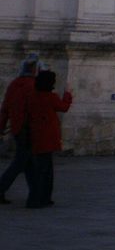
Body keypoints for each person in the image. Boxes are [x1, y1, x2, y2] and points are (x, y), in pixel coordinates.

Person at [23, 69, 72, 209]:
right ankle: (41, 198)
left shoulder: (32, 96)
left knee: (39, 169)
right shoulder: (51, 97)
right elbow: (63, 107)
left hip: (35, 135)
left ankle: (40, 197)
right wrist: (68, 96)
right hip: (48, 136)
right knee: (45, 171)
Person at [0, 54, 39, 205]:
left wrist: (2, 126)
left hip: (17, 128)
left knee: (28, 162)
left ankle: (35, 194)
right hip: (28, 128)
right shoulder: (33, 86)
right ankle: (2, 188)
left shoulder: (14, 84)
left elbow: (5, 107)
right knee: (20, 162)